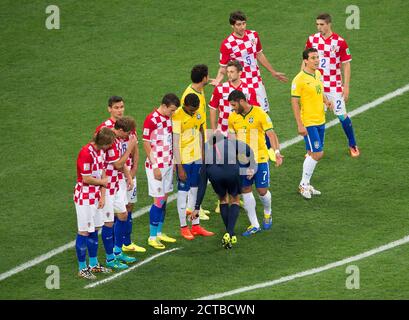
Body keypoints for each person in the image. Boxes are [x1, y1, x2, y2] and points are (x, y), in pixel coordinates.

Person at [211, 10, 288, 162]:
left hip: (257, 83)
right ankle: (245, 152)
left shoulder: (253, 35)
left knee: (262, 116)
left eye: (244, 23)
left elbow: (259, 54)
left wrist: (272, 72)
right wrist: (219, 80)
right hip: (241, 86)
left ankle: (268, 150)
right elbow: (223, 67)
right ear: (232, 26)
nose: (242, 27)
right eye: (238, 24)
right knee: (244, 117)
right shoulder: (227, 44)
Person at [227, 90, 283, 236]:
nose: (232, 108)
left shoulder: (260, 113)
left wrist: (276, 153)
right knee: (245, 189)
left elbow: (271, 134)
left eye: (233, 105)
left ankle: (267, 212)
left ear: (241, 101)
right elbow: (232, 140)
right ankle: (254, 224)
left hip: (260, 158)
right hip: (243, 160)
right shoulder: (233, 117)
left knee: (262, 191)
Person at [95, 96, 146, 255]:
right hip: (113, 178)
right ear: (109, 109)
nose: (119, 110)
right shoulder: (105, 129)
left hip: (127, 173)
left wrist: (134, 170)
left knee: (128, 207)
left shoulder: (127, 125)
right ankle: (115, 248)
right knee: (116, 212)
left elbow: (135, 149)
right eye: (116, 107)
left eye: (121, 107)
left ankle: (126, 242)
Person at [304, 13, 359, 157]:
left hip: (334, 86)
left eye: (322, 24)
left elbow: (346, 65)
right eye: (317, 24)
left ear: (329, 24)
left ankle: (352, 144)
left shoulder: (340, 42)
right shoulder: (312, 39)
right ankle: (313, 149)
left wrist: (346, 86)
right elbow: (305, 61)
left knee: (341, 115)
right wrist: (303, 78)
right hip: (316, 85)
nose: (319, 27)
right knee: (314, 116)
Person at [209, 59, 259, 213]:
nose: (229, 75)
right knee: (224, 168)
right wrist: (214, 129)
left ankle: (236, 197)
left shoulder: (249, 88)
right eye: (228, 72)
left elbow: (255, 110)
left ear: (240, 73)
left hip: (243, 134)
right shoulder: (220, 89)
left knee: (240, 165)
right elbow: (212, 108)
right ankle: (222, 200)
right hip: (224, 132)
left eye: (232, 72)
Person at [192, 133, 256, 249]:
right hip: (232, 171)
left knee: (222, 200)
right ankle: (230, 233)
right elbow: (249, 150)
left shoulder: (206, 153)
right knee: (235, 200)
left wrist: (197, 207)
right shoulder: (232, 142)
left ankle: (230, 234)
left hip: (214, 174)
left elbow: (202, 183)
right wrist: (252, 166)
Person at [73, 127, 115, 279]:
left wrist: (103, 195)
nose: (111, 146)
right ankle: (82, 268)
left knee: (95, 229)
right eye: (109, 143)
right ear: (103, 142)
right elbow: (86, 178)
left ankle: (94, 264)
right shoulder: (86, 153)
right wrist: (103, 182)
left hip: (96, 195)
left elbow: (103, 171)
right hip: (84, 196)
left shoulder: (101, 152)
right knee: (84, 231)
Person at [97, 116, 139, 270]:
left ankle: (117, 250)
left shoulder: (119, 139)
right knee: (108, 222)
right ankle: (109, 258)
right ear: (120, 130)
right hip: (106, 187)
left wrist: (128, 177)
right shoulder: (111, 141)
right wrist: (130, 147)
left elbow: (122, 164)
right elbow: (118, 163)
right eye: (126, 134)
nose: (128, 136)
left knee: (123, 215)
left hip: (118, 183)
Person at [291, 48, 334, 199]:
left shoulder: (317, 74)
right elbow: (295, 103)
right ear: (305, 61)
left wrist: (326, 101)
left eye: (317, 57)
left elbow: (319, 90)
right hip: (308, 122)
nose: (316, 60)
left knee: (311, 153)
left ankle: (306, 184)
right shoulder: (299, 79)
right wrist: (300, 125)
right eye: (313, 58)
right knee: (318, 153)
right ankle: (303, 184)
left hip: (320, 120)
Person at [173, 93, 215, 240]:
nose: (193, 112)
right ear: (185, 105)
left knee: (196, 191)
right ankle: (183, 227)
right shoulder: (177, 116)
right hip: (184, 160)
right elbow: (175, 143)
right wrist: (179, 166)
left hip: (197, 158)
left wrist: (204, 155)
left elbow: (203, 132)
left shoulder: (198, 112)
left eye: (195, 110)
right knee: (183, 192)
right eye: (191, 110)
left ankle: (195, 225)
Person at [143, 93, 180, 250]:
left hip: (168, 164)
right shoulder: (151, 119)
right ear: (164, 106)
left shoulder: (168, 118)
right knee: (158, 201)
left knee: (164, 199)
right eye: (171, 110)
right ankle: (152, 237)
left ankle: (159, 233)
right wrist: (155, 165)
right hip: (156, 166)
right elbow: (146, 143)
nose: (172, 113)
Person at [180, 64, 211, 220]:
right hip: (192, 142)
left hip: (200, 136)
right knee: (195, 176)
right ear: (203, 78)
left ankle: (197, 206)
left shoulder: (198, 89)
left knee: (199, 176)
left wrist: (215, 80)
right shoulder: (192, 97)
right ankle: (191, 208)